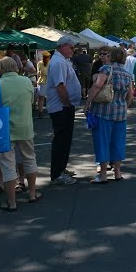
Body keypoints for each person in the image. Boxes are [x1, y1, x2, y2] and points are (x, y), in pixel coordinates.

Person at [0, 56, 38, 210]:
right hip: (25, 126)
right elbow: (32, 101)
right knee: (29, 158)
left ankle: (12, 202)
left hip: (4, 130)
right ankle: (33, 193)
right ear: (16, 66)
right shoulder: (27, 81)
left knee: (7, 164)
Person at [84, 47, 134, 183]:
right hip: (120, 113)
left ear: (112, 56)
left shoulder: (106, 69)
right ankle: (117, 172)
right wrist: (124, 106)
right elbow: (130, 95)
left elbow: (97, 86)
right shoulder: (126, 74)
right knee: (118, 143)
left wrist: (88, 103)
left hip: (103, 112)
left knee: (102, 142)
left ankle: (103, 174)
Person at [45, 36, 81, 185]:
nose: (73, 51)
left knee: (65, 140)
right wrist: (67, 104)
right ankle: (57, 173)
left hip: (63, 106)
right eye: (71, 48)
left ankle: (61, 168)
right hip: (61, 107)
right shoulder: (59, 62)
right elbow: (60, 86)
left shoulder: (61, 61)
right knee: (61, 141)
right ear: (63, 46)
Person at [35, 51, 50, 118]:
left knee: (42, 98)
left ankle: (42, 112)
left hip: (43, 81)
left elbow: (39, 73)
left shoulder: (40, 63)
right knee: (44, 98)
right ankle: (42, 112)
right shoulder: (48, 63)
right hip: (46, 81)